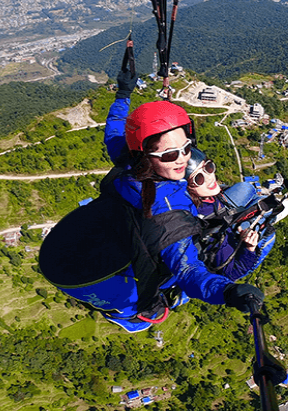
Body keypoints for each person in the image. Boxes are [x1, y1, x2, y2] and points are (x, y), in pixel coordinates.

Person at [57, 64, 263, 333]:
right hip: (124, 274)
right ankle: (136, 315)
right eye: (169, 155)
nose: (181, 159)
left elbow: (116, 131)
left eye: (187, 148)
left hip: (96, 240)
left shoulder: (129, 159)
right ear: (147, 155)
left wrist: (123, 94)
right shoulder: (168, 210)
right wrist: (227, 292)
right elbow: (188, 271)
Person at [184, 147, 281, 281]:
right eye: (198, 178)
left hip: (219, 212)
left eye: (208, 167)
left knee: (246, 188)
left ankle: (257, 210)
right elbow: (231, 274)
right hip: (225, 237)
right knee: (271, 233)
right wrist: (249, 248)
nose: (210, 177)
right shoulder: (207, 236)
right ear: (186, 188)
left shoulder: (198, 198)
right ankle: (268, 220)